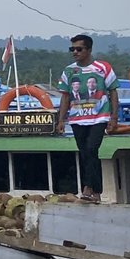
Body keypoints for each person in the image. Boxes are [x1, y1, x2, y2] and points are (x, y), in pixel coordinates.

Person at [54, 35, 117, 203]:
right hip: (77, 119)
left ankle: (90, 187)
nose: (75, 52)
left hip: (99, 117)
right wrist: (61, 120)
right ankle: (94, 190)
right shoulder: (69, 71)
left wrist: (114, 117)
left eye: (79, 49)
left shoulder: (103, 68)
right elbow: (65, 97)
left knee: (91, 149)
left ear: (88, 50)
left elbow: (113, 92)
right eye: (72, 49)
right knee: (85, 154)